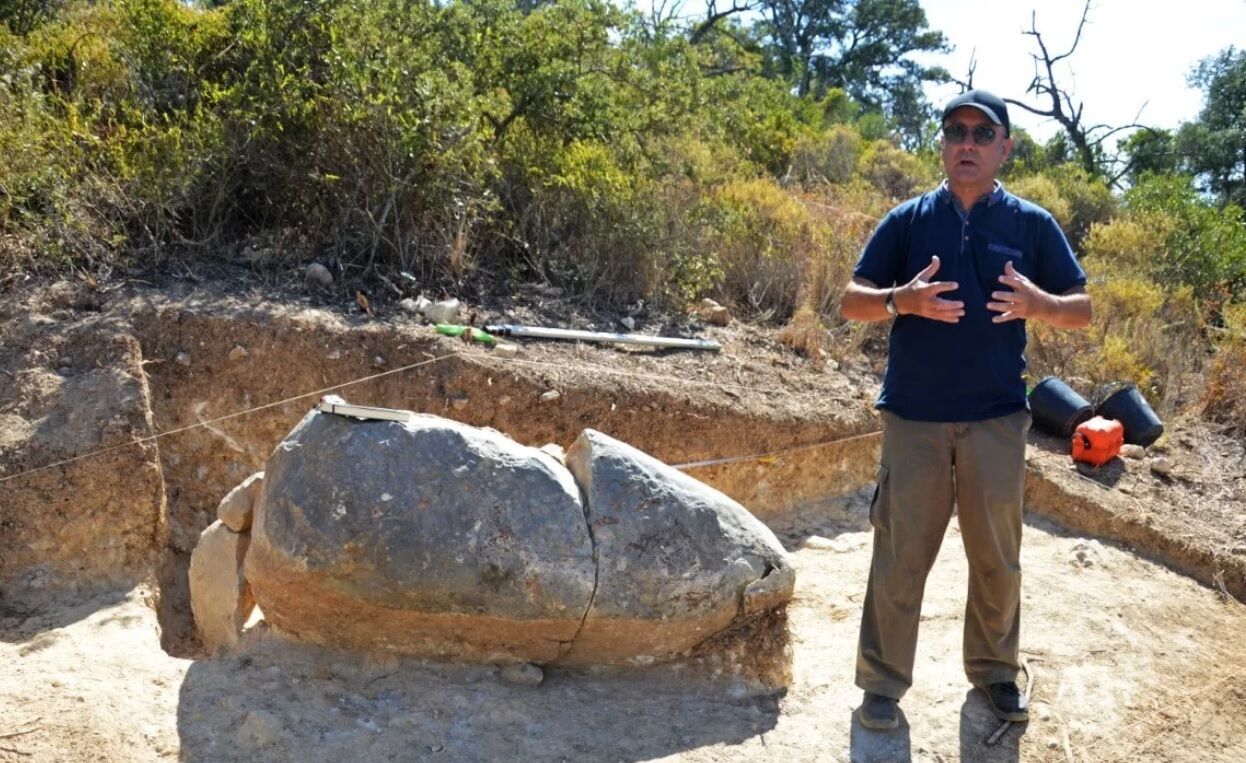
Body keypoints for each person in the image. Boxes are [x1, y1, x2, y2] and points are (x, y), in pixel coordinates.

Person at [839, 90, 1092, 731]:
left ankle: (996, 674)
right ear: (944, 144)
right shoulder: (906, 221)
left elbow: (1082, 309)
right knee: (899, 555)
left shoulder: (1032, 225)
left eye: (983, 133)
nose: (968, 143)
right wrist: (902, 300)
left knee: (996, 557)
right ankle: (881, 685)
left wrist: (1040, 304)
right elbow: (850, 300)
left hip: (996, 419)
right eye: (956, 131)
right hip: (914, 419)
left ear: (1005, 147)